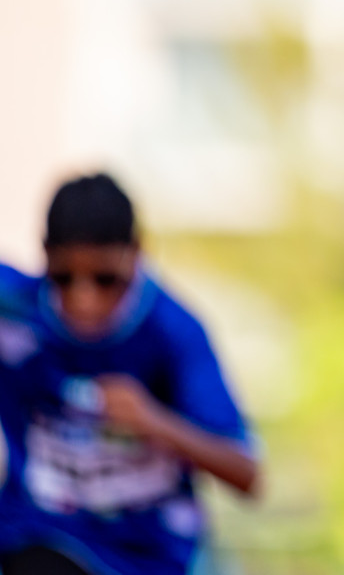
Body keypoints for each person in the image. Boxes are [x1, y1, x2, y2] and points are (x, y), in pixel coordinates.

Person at [0, 174, 259, 575]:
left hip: (146, 555)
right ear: (45, 254)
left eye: (105, 279)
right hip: (38, 540)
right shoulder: (15, 309)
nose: (83, 299)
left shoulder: (173, 332)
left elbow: (248, 474)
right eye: (64, 277)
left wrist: (154, 421)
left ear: (136, 253)